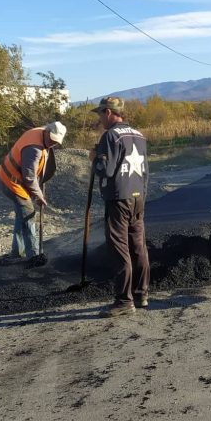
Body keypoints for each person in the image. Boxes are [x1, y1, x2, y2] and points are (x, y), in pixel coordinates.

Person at [90, 96, 151, 316]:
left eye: (100, 114)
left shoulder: (110, 136)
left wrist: (95, 159)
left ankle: (124, 301)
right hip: (138, 196)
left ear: (108, 112)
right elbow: (145, 170)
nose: (99, 119)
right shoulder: (139, 135)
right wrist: (142, 194)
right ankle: (141, 293)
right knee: (138, 246)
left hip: (118, 198)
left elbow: (106, 170)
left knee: (119, 248)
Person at [0, 121, 67, 264]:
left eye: (56, 142)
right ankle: (34, 256)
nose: (53, 144)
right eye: (51, 140)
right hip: (12, 181)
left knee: (21, 216)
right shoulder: (33, 148)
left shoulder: (40, 133)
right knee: (28, 215)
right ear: (47, 132)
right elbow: (29, 177)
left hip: (12, 178)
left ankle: (17, 252)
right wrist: (39, 195)